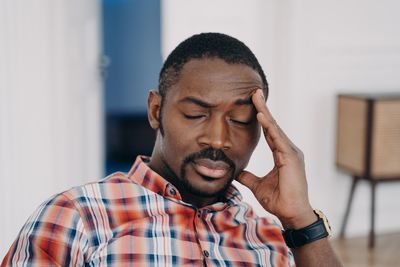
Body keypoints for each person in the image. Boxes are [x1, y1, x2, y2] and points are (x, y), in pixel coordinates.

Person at [1, 33, 342, 267]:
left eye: (240, 119)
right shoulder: (76, 217)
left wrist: (301, 220)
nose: (218, 139)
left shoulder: (274, 241)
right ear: (155, 111)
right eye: (196, 114)